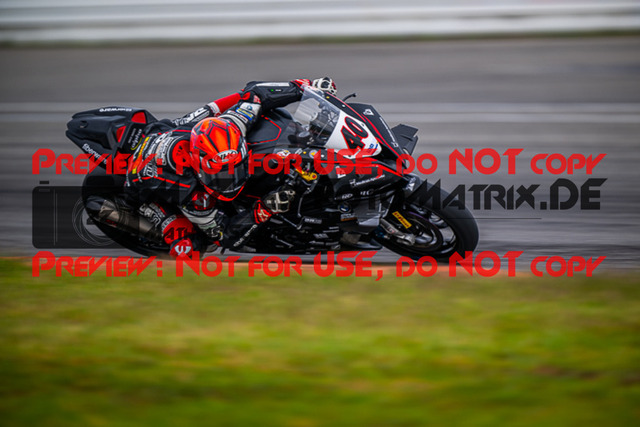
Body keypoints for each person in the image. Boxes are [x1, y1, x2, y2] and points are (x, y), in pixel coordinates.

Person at [125, 78, 338, 258]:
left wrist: (307, 86)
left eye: (234, 168)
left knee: (260, 107)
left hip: (179, 130)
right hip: (139, 188)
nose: (230, 180)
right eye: (220, 175)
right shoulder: (189, 193)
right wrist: (264, 209)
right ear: (199, 168)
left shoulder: (236, 122)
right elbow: (224, 236)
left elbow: (257, 92)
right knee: (190, 249)